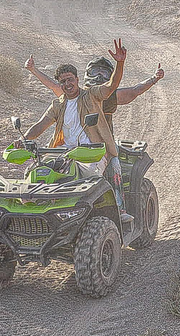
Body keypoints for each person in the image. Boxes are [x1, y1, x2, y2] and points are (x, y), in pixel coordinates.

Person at [16, 39, 132, 221]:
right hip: (64, 152)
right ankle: (35, 212)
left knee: (90, 176)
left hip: (94, 152)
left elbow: (111, 86)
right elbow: (40, 125)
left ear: (77, 80)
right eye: (63, 81)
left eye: (70, 79)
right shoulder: (58, 104)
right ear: (60, 84)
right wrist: (24, 139)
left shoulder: (91, 95)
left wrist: (120, 63)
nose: (67, 84)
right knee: (33, 171)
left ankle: (118, 210)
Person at [24, 54, 164, 132]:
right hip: (71, 148)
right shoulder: (72, 94)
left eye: (103, 72)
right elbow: (53, 86)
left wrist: (154, 78)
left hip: (102, 148)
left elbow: (135, 91)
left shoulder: (109, 95)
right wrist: (33, 70)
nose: (98, 75)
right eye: (95, 71)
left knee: (114, 174)